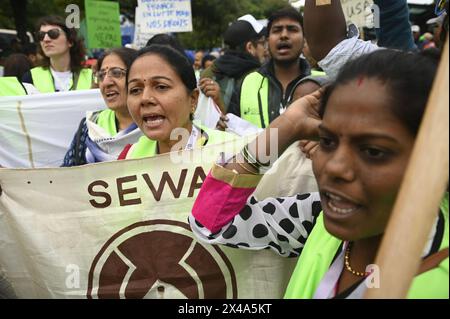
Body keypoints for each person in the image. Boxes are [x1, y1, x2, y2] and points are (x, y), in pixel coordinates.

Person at [189, 49, 448, 299]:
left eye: (372, 151)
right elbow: (210, 223)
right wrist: (286, 128)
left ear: (433, 159)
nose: (334, 167)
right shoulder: (317, 220)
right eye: (327, 141)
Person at [118, 45, 235, 159]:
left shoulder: (232, 153)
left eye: (161, 87)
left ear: (193, 99)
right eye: (135, 90)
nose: (145, 98)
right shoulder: (128, 158)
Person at [227, 6, 322, 129]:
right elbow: (232, 132)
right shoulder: (246, 83)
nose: (284, 35)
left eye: (292, 29)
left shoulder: (323, 83)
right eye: (277, 30)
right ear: (268, 41)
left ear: (304, 40)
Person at [62, 48, 141, 166]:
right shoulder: (89, 127)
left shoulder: (156, 125)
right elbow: (67, 175)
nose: (106, 82)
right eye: (102, 75)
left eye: (116, 73)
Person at [200, 14, 267, 113]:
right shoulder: (259, 78)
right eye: (262, 43)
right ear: (250, 47)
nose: (265, 49)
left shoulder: (208, 73)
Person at [22, 15, 93, 93]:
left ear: (70, 41)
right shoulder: (30, 77)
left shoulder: (92, 77)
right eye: (41, 35)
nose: (46, 39)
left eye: (53, 34)